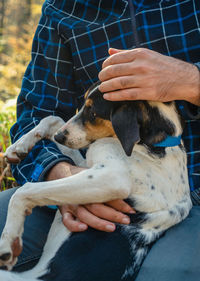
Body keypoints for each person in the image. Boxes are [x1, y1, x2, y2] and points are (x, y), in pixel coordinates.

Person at [0, 0, 200, 279]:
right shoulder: (62, 9)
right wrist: (61, 175)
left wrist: (192, 81)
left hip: (190, 202)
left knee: (172, 273)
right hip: (95, 177)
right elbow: (36, 112)